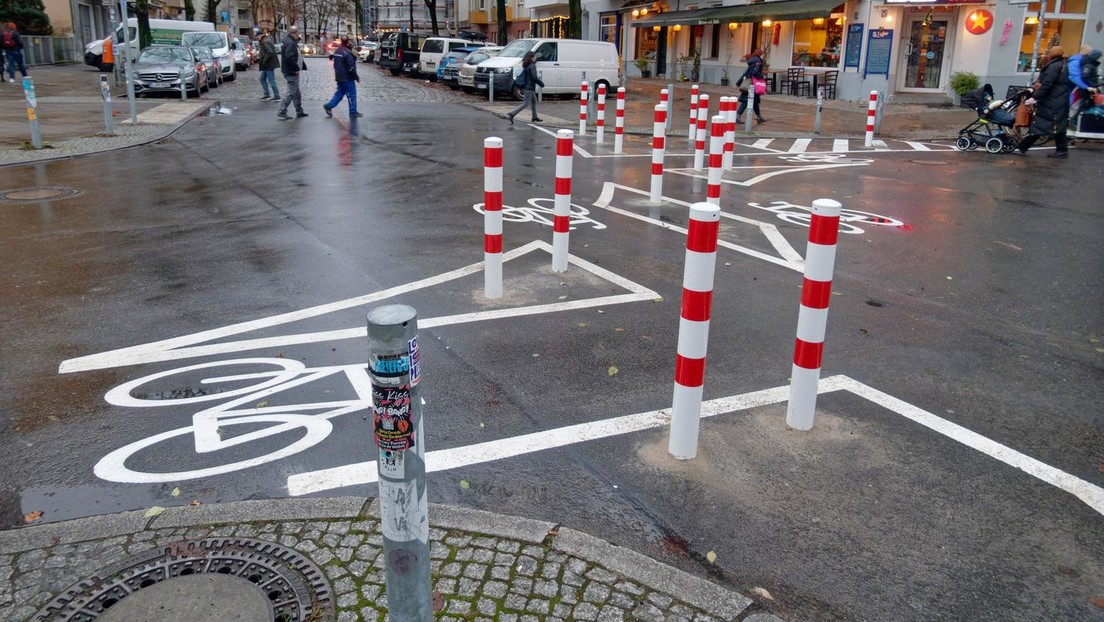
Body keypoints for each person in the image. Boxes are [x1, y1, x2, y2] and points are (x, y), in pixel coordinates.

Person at [1017, 46, 1070, 158]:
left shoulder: (1054, 67)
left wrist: (1034, 96)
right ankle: (1062, 150)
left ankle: (1023, 146)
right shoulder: (1063, 65)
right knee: (1058, 126)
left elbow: (1047, 84)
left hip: (1051, 101)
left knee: (1040, 125)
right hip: (1059, 100)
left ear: (1052, 54)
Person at [323, 38, 361, 118]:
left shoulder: (338, 51)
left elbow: (335, 64)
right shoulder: (348, 52)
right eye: (351, 42)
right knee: (352, 94)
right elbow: (351, 67)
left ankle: (329, 106)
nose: (352, 43)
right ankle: (353, 111)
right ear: (348, 43)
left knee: (340, 93)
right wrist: (356, 77)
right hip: (347, 77)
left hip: (339, 76)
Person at [277, 26, 308, 120]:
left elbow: (292, 47)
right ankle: (282, 111)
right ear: (295, 33)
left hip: (289, 70)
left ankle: (299, 111)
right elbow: (289, 57)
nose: (298, 35)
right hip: (291, 71)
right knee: (291, 92)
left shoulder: (288, 40)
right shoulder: (290, 43)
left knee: (296, 93)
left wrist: (298, 39)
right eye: (298, 33)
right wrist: (296, 68)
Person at [506, 51, 544, 125]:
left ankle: (534, 116)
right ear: (531, 58)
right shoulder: (532, 66)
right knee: (525, 103)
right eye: (534, 56)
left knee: (534, 101)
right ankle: (512, 114)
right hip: (529, 87)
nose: (536, 57)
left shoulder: (526, 65)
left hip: (528, 86)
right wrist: (541, 84)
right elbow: (534, 77)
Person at [1067, 44, 1101, 120]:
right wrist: (1086, 87)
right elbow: (1073, 76)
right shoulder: (1076, 61)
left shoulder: (1079, 61)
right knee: (1074, 105)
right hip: (1072, 88)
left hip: (1074, 88)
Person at [735, 49, 767, 124]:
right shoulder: (759, 62)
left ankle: (759, 117)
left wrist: (738, 82)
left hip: (749, 82)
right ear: (760, 54)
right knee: (747, 100)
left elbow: (748, 72)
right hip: (753, 84)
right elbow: (755, 72)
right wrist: (762, 75)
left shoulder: (752, 61)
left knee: (754, 101)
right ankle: (737, 116)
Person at [258, 32, 280, 101]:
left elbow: (269, 52)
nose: (257, 38)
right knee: (262, 78)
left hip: (268, 64)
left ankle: (277, 95)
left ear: (261, 36)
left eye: (257, 36)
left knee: (271, 80)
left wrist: (264, 61)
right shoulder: (266, 41)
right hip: (268, 64)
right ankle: (267, 94)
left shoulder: (264, 42)